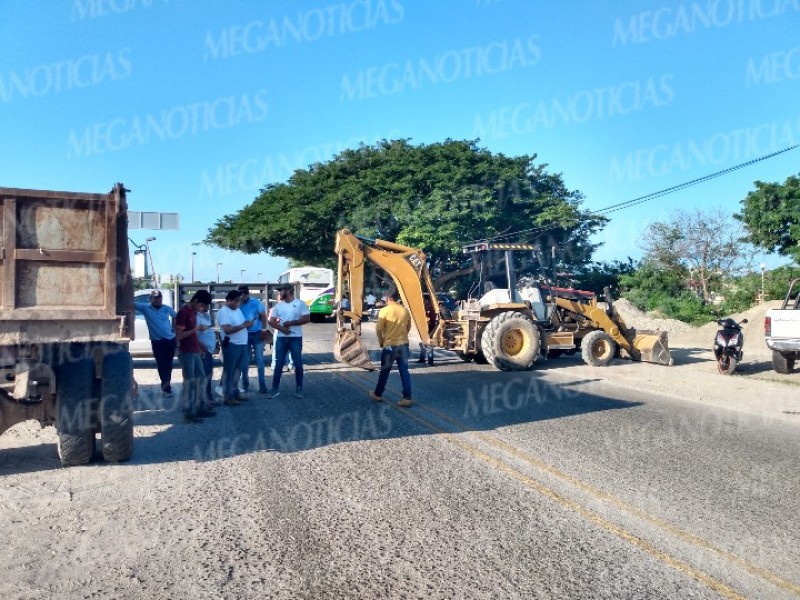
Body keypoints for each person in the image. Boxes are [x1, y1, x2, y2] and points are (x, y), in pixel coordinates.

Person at [369, 291, 413, 408]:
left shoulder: (384, 311)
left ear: (388, 299)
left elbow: (378, 329)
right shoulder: (405, 310)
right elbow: (408, 327)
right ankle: (407, 398)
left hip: (389, 345)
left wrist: (381, 341)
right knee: (404, 372)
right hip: (403, 344)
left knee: (385, 371)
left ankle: (378, 394)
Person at [266, 283, 310, 399]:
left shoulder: (300, 304)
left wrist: (291, 323)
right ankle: (275, 389)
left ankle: (299, 388)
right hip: (281, 338)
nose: (279, 293)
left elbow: (306, 318)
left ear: (289, 291)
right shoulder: (278, 306)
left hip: (295, 338)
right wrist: (282, 329)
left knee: (298, 363)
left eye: (281, 291)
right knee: (279, 363)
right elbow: (271, 320)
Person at [175, 290, 213, 423]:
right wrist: (197, 329)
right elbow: (179, 335)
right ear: (196, 301)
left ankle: (200, 408)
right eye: (202, 305)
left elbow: (192, 335)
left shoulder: (192, 312)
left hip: (195, 351)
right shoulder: (183, 312)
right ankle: (188, 412)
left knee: (202, 378)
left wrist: (199, 347)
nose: (202, 309)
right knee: (190, 382)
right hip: (186, 353)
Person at [135, 289, 177, 398]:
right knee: (161, 364)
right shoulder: (145, 308)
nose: (158, 300)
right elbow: (131, 303)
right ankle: (166, 388)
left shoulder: (166, 308)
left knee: (168, 364)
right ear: (151, 299)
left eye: (159, 298)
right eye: (155, 298)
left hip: (170, 340)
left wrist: (174, 328)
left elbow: (176, 316)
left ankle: (166, 385)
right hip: (157, 341)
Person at [216, 290, 254, 406]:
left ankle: (234, 392)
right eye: (237, 301)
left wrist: (246, 324)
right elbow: (227, 329)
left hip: (242, 344)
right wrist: (244, 325)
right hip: (232, 345)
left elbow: (240, 325)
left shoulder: (237, 310)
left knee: (238, 370)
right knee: (229, 371)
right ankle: (228, 396)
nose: (239, 303)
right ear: (229, 300)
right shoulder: (223, 312)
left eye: (239, 300)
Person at [237, 285, 269, 394]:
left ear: (248, 294)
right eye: (240, 295)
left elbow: (263, 316)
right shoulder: (238, 304)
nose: (242, 298)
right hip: (244, 335)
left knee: (259, 360)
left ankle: (262, 385)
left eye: (244, 295)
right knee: (244, 361)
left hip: (257, 334)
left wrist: (264, 330)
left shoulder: (256, 303)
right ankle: (245, 384)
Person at [196, 300, 218, 408]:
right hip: (203, 351)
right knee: (205, 376)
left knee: (208, 375)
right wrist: (202, 347)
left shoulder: (205, 316)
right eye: (205, 304)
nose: (207, 307)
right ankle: (205, 401)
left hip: (208, 350)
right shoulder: (196, 317)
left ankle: (208, 398)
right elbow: (193, 335)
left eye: (208, 305)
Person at [416, 294, 437, 365]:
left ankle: (429, 360)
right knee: (423, 343)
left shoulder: (429, 306)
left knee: (428, 344)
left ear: (426, 300)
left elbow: (429, 318)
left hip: (429, 327)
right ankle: (423, 358)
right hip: (427, 327)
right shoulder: (428, 306)